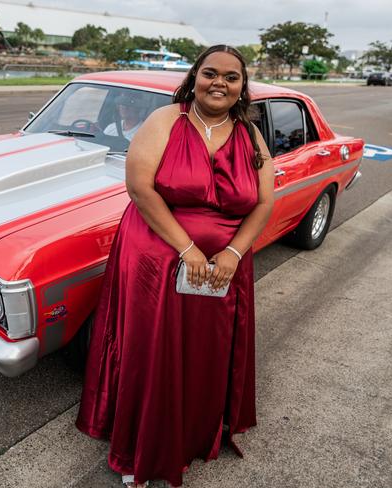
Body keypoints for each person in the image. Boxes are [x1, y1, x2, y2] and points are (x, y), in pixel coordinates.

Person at [75, 45, 275, 488]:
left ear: (243, 87)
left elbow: (264, 203)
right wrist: (188, 250)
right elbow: (139, 188)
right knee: (153, 352)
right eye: (210, 73)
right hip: (157, 256)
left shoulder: (250, 135)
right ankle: (139, 451)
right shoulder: (166, 121)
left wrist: (234, 254)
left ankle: (195, 433)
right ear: (194, 77)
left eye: (231, 77)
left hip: (224, 267)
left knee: (207, 351)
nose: (219, 83)